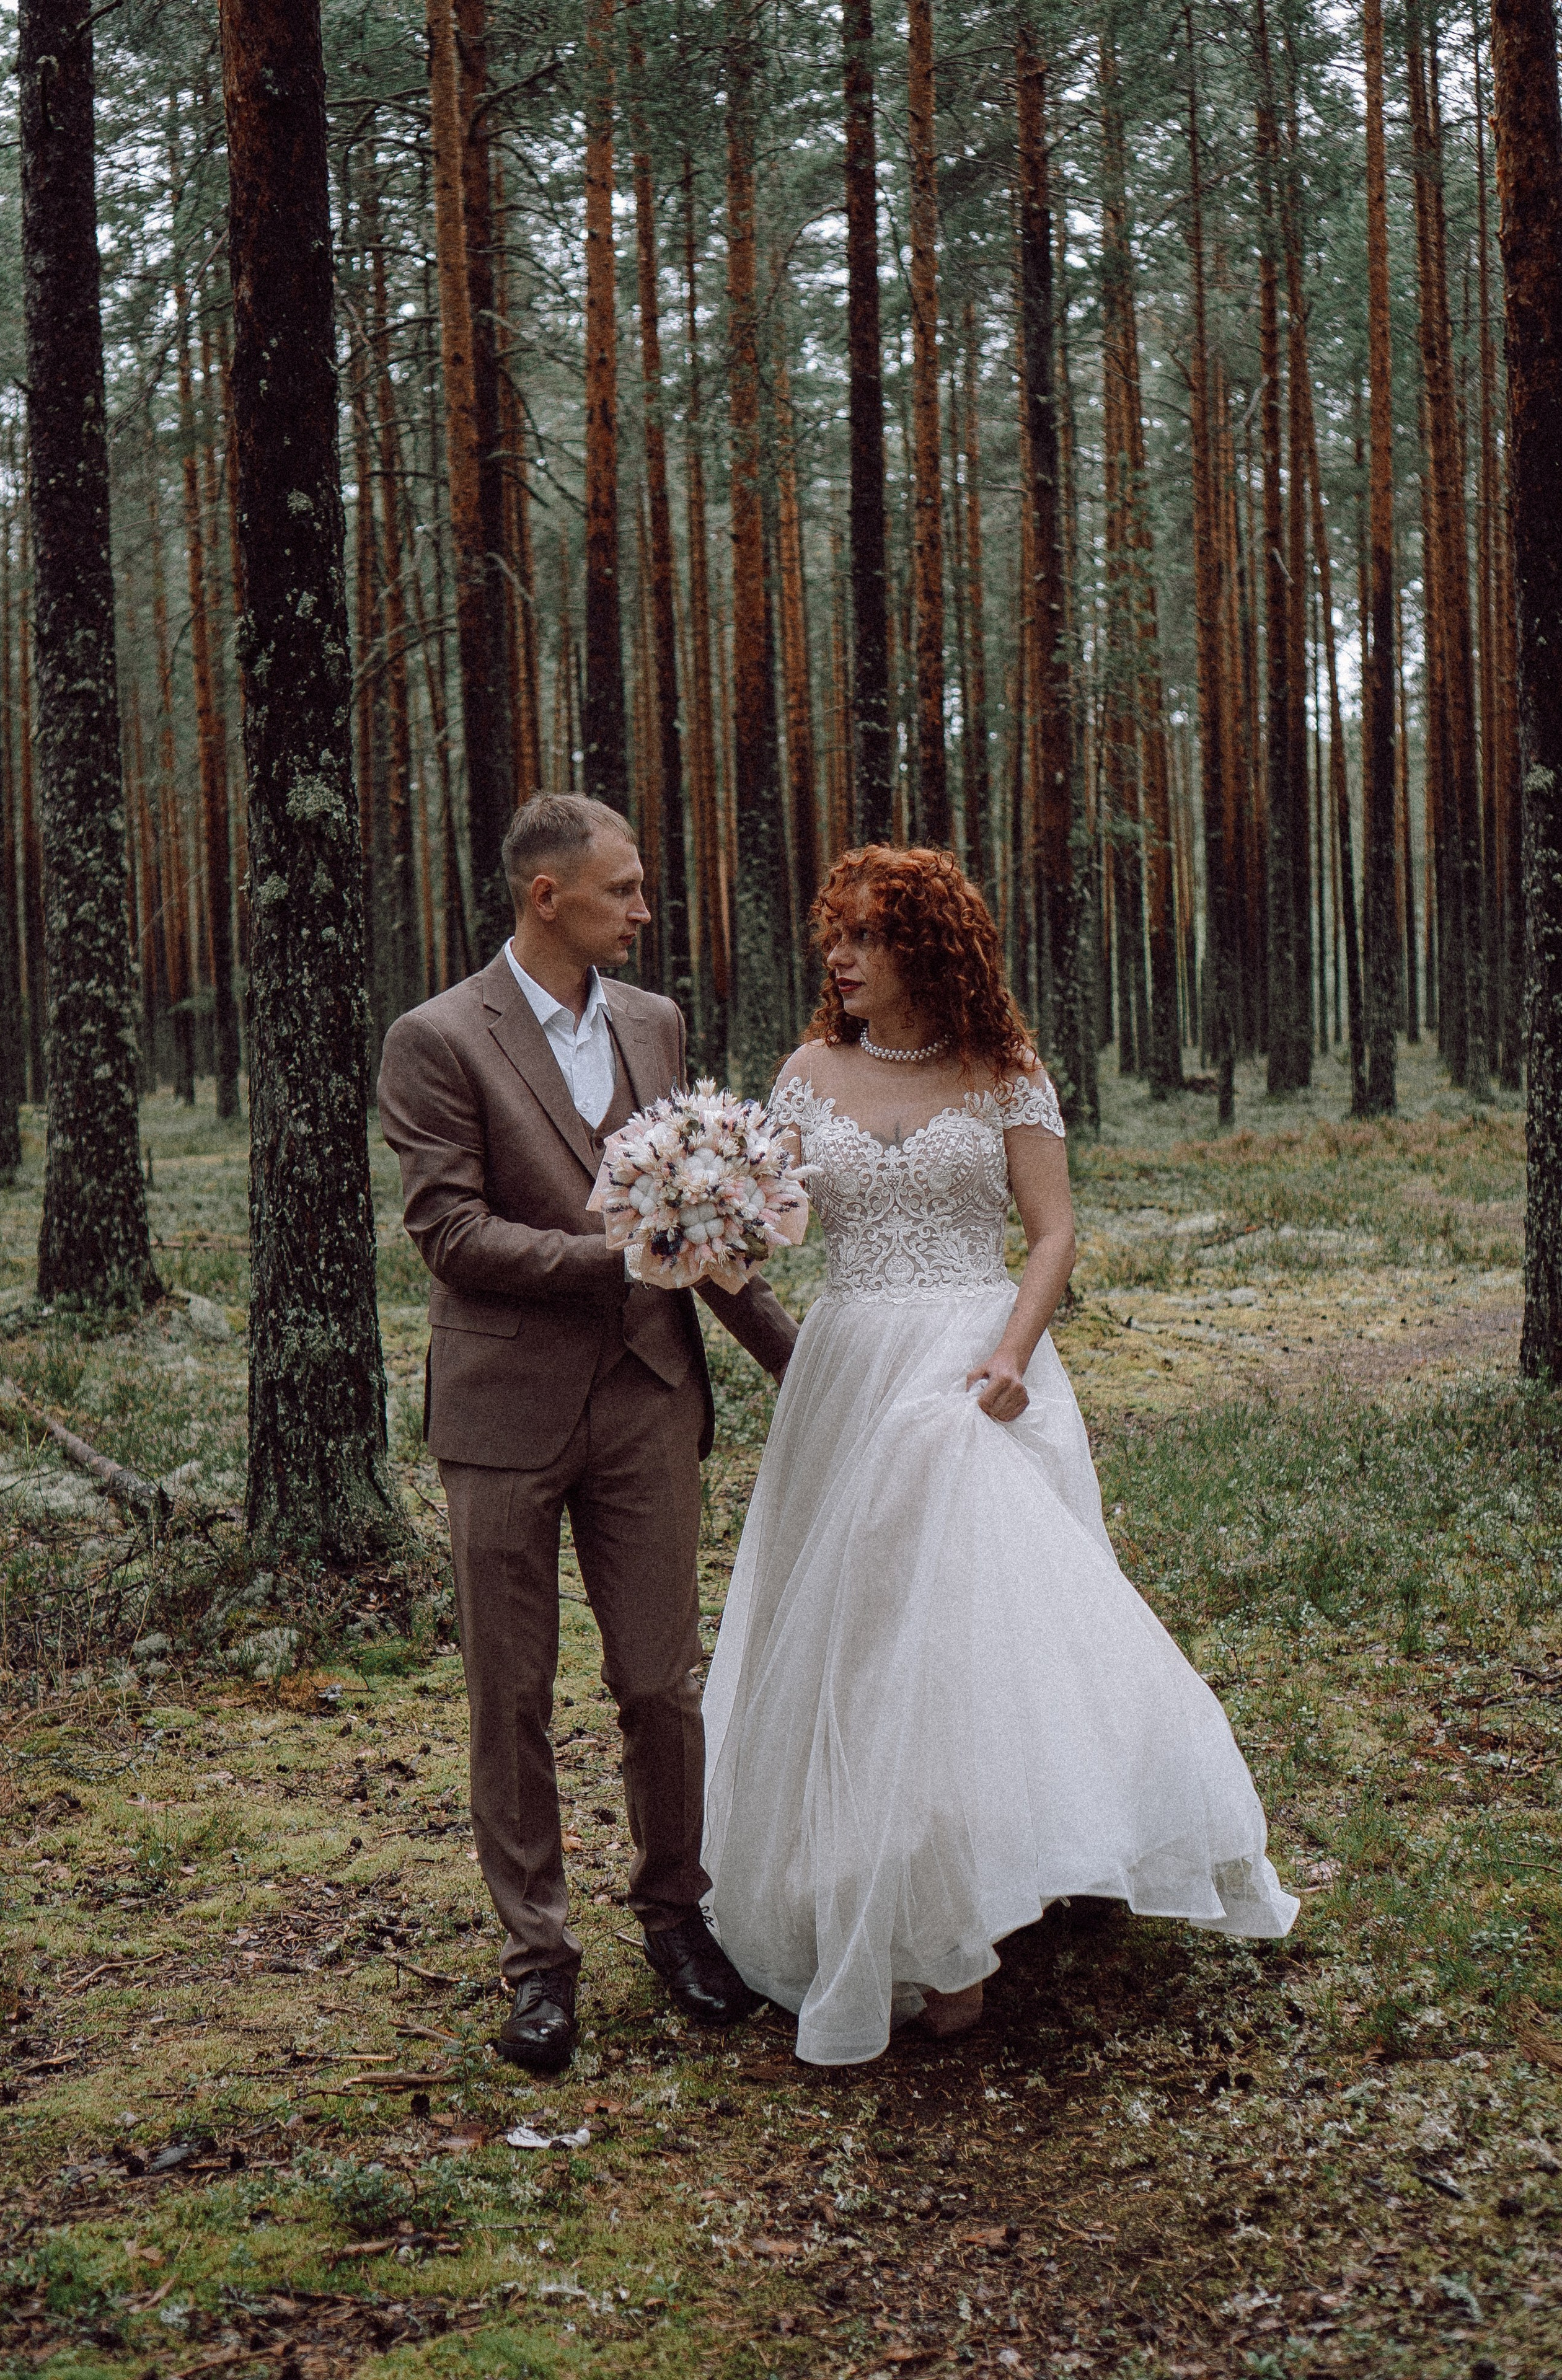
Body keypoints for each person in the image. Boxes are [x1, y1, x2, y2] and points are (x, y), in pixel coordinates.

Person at [701, 845, 1297, 2067]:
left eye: (864, 935)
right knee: (861, 1636)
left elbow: (1052, 1229)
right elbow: (766, 1230)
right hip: (849, 1369)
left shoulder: (1002, 1071)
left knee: (977, 1633)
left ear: (929, 946)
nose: (839, 956)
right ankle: (880, 1894)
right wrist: (694, 1221)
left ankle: (971, 1906)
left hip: (978, 1365)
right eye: (833, 934)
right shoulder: (804, 1074)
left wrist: (1012, 1354)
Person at [378, 794, 797, 2074]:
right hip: (504, 1414)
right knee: (508, 1696)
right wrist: (615, 1257)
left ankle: (675, 1917)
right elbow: (447, 1233)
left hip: (646, 1398)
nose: (643, 909)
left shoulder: (654, 1024)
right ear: (545, 897)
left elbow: (704, 1221)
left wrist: (802, 1362)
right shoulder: (436, 1038)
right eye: (622, 890)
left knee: (661, 1686)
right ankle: (537, 1964)